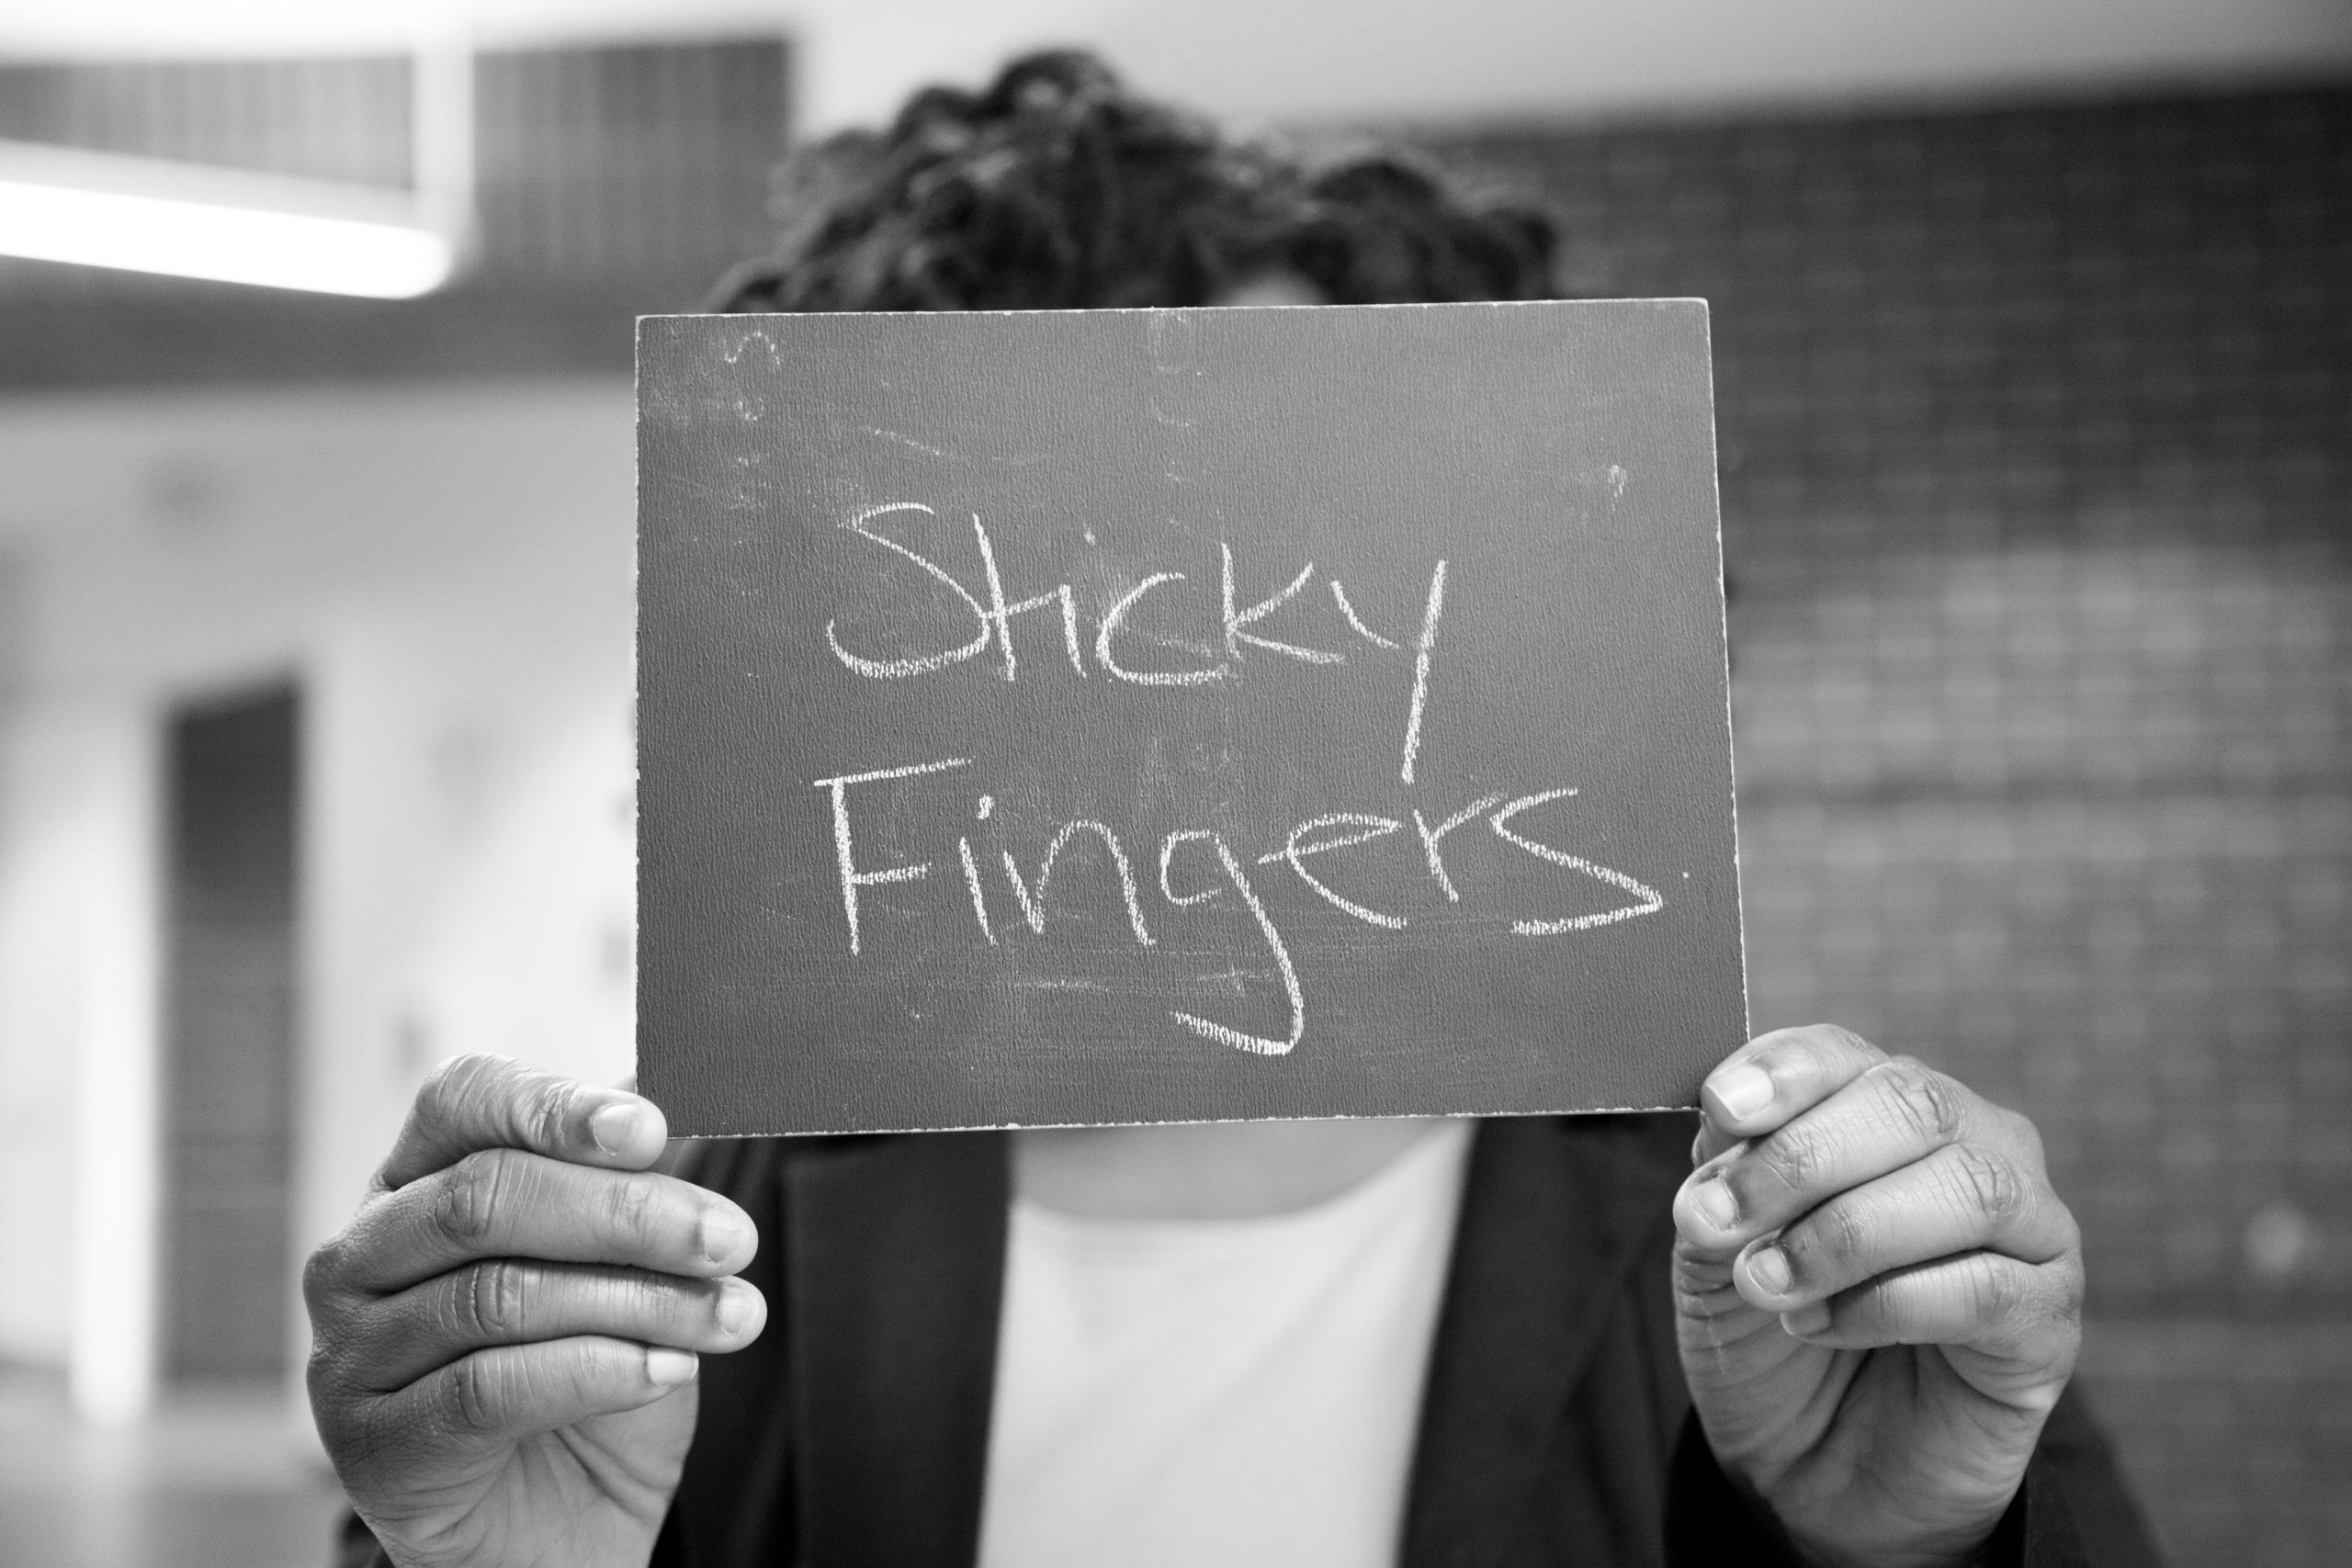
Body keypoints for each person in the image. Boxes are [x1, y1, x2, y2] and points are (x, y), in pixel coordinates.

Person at [306, 51, 2160, 1568]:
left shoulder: (1797, 1250)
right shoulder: (693, 1253)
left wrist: (1898, 1558)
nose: (1186, 652)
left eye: (1295, 544)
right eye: (1072, 560)